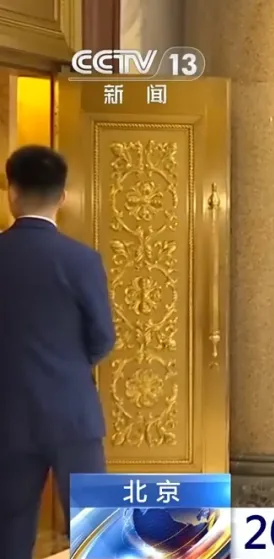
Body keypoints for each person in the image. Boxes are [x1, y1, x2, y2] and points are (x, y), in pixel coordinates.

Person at [0, 145, 115, 558]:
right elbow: (103, 337)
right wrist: (68, 367)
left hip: (8, 416)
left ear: (12, 192)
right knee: (96, 531)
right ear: (62, 197)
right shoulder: (82, 260)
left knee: (9, 531)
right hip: (72, 413)